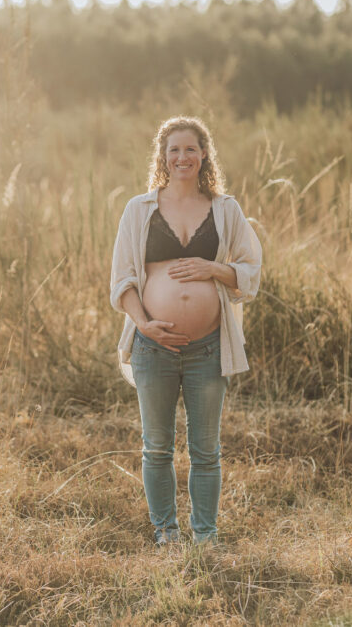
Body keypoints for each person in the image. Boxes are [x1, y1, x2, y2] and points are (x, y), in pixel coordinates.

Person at [110, 115, 262, 545]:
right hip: (152, 347)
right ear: (163, 155)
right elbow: (122, 280)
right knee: (157, 446)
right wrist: (146, 326)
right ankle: (166, 533)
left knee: (206, 450)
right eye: (174, 149)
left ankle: (206, 536)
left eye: (191, 149)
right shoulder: (138, 209)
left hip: (207, 349)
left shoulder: (225, 209)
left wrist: (214, 267)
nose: (182, 157)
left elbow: (251, 268)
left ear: (204, 154)